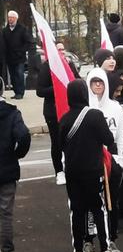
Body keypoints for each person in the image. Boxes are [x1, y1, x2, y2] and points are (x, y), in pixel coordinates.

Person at [60, 79, 115, 252]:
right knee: (98, 209)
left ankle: (77, 250)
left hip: (72, 172)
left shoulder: (65, 119)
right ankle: (105, 249)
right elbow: (108, 138)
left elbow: (57, 147)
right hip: (93, 170)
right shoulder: (95, 115)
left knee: (76, 210)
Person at [86, 69, 123, 252]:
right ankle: (88, 239)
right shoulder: (85, 108)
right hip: (91, 162)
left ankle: (111, 238)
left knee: (111, 202)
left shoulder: (115, 108)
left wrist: (120, 159)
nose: (97, 86)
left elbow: (120, 137)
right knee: (90, 203)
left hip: (112, 161)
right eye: (94, 82)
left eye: (100, 82)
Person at [36, 42, 80, 185]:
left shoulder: (69, 65)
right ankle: (59, 172)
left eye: (63, 49)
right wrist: (58, 86)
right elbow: (40, 91)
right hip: (53, 111)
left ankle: (72, 168)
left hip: (71, 109)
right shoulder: (46, 67)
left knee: (73, 140)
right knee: (57, 142)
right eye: (58, 50)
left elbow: (77, 81)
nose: (61, 52)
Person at [0, 77, 30, 252]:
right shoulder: (11, 112)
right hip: (6, 168)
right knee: (5, 214)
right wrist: (16, 155)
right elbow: (24, 136)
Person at [3, 10, 32, 100]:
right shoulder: (5, 30)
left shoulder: (22, 29)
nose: (10, 19)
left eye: (12, 17)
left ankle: (20, 92)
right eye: (9, 17)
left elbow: (28, 42)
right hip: (9, 57)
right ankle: (16, 92)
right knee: (12, 75)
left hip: (20, 57)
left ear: (16, 18)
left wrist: (22, 51)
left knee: (19, 74)